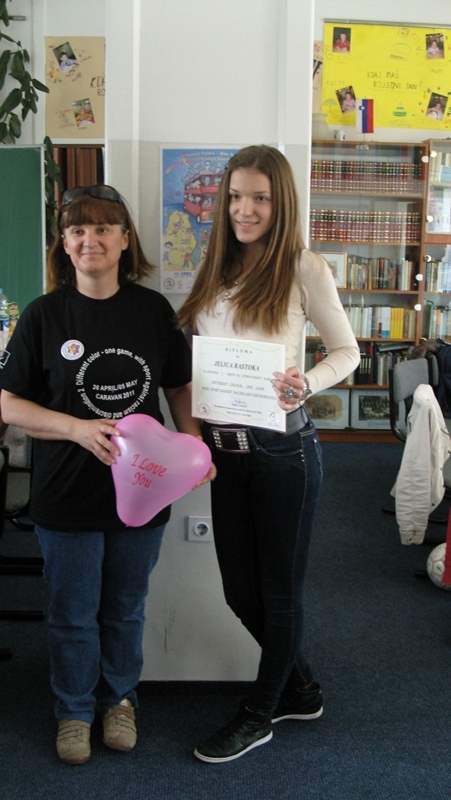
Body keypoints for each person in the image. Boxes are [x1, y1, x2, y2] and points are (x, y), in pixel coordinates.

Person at [0, 184, 214, 765]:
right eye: (77, 230)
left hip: (145, 488)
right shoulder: (44, 315)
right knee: (72, 613)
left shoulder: (153, 312)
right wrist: (76, 428)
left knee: (124, 608)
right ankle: (73, 711)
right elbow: (9, 403)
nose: (89, 240)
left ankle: (118, 700)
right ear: (64, 244)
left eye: (102, 228)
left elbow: (179, 385)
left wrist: (193, 441)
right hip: (66, 490)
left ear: (124, 240)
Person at [177, 145, 360, 763]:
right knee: (240, 592)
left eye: (259, 198)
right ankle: (301, 688)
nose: (244, 210)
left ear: (281, 202)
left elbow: (347, 352)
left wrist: (306, 382)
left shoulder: (304, 267)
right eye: (235, 197)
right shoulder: (215, 267)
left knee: (280, 594)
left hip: (284, 451)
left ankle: (259, 714)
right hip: (226, 453)